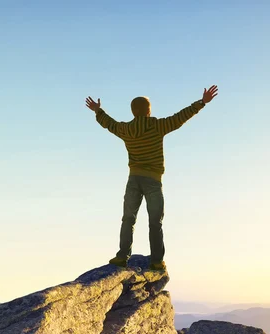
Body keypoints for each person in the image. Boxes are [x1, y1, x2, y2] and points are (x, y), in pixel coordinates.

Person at [85, 85, 219, 271]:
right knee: (155, 222)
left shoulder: (126, 129)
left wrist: (98, 111)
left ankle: (122, 256)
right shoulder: (157, 126)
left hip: (133, 179)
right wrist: (202, 102)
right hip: (153, 181)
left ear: (133, 111)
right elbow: (180, 117)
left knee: (128, 219)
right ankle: (156, 260)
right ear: (149, 111)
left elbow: (109, 124)